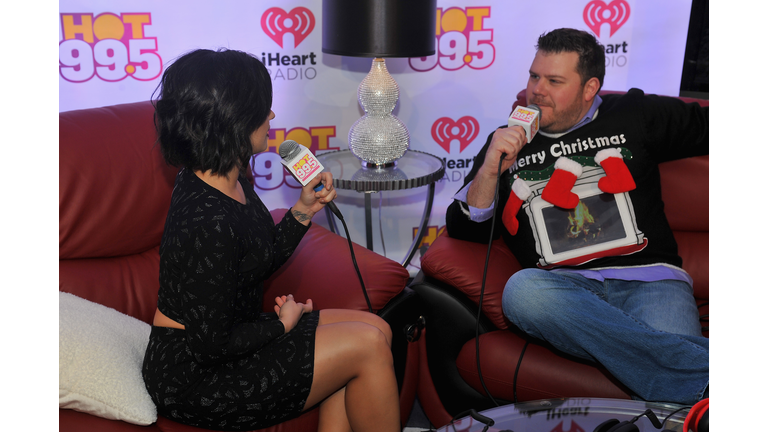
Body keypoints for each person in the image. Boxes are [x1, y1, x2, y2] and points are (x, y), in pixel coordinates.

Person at [141, 48, 400, 432]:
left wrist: (304, 209)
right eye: (263, 108)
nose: (272, 116)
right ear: (233, 119)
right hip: (194, 375)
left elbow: (256, 256)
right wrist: (282, 325)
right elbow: (209, 346)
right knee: (369, 345)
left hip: (229, 340)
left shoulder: (226, 176)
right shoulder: (207, 219)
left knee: (378, 328)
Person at [446, 28, 708, 405]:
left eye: (554, 81)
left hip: (650, 280)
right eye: (534, 76)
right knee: (522, 291)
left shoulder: (634, 114)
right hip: (561, 289)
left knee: (677, 401)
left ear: (589, 89)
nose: (537, 90)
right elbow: (464, 229)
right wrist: (490, 170)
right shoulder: (506, 141)